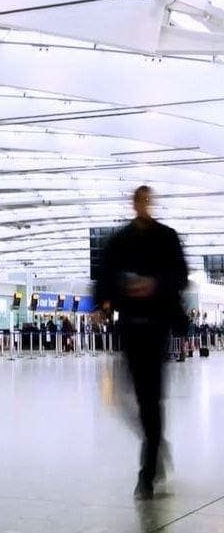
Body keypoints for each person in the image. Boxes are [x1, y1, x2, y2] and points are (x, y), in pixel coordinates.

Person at [95, 185, 188, 500]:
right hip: (130, 329)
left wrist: (154, 284)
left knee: (151, 400)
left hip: (157, 328)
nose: (145, 204)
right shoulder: (120, 240)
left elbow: (180, 276)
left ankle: (147, 472)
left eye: (149, 200)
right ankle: (156, 442)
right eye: (141, 200)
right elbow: (105, 276)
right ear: (134, 203)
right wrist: (103, 302)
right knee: (125, 399)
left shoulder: (167, 237)